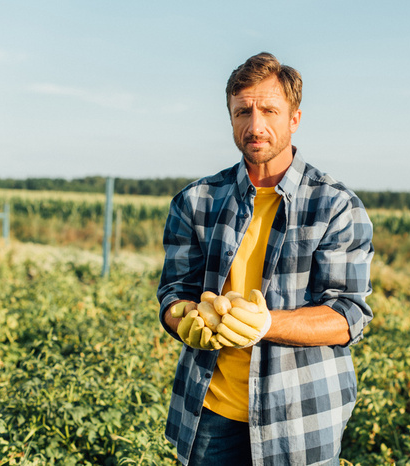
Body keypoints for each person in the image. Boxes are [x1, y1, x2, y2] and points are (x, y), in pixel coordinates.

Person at [157, 52, 374, 466]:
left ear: (294, 118)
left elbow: (348, 314)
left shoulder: (335, 205)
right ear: (231, 116)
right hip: (211, 414)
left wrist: (265, 323)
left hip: (300, 417)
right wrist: (188, 320)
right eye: (243, 112)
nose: (255, 126)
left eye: (269, 110)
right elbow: (173, 294)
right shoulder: (195, 201)